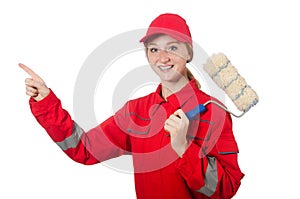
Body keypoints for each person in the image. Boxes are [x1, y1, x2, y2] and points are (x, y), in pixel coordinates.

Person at [20, 13, 244, 199]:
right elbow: (84, 150)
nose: (163, 58)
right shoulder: (136, 112)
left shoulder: (213, 111)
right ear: (147, 55)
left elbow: (226, 189)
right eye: (154, 49)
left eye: (172, 48)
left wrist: (183, 147)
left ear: (188, 52)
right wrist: (47, 103)